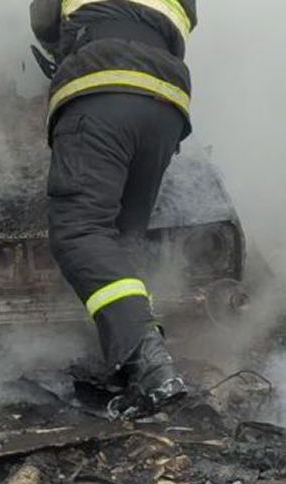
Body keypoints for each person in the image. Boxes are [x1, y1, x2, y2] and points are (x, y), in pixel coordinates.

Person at [29, 0, 196, 416]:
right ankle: (130, 370)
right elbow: (179, 27)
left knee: (79, 231)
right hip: (166, 99)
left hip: (103, 85)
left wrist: (63, 47)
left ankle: (151, 364)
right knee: (122, 240)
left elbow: (44, 19)